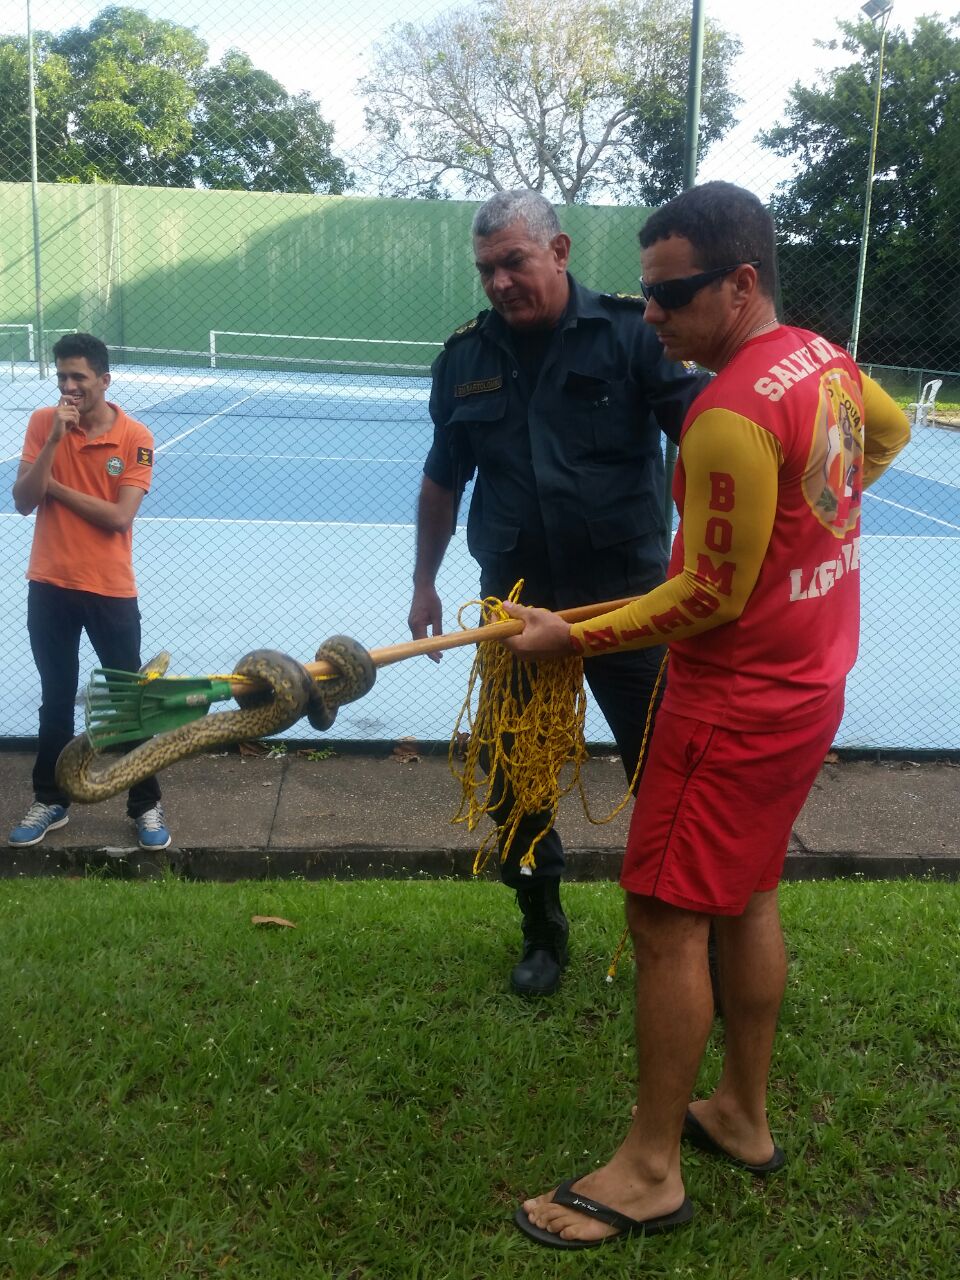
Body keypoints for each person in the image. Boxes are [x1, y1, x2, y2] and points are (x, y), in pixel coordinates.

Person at [503, 181, 910, 1245]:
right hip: (810, 683)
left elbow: (705, 598)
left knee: (663, 914)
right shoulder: (820, 356)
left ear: (740, 283)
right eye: (643, 293)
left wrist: (568, 634)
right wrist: (810, 528)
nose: (649, 314)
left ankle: (648, 1168)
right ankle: (738, 1109)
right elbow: (894, 426)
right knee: (747, 895)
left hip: (730, 705)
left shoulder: (726, 412)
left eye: (670, 293)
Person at [408, 190, 708, 997]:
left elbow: (707, 439)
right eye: (486, 269)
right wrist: (424, 582)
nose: (500, 281)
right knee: (517, 781)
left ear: (560, 251)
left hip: (624, 606)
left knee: (667, 773)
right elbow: (443, 480)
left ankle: (691, 932)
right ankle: (543, 928)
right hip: (514, 606)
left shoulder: (632, 335)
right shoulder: (465, 357)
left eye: (515, 261)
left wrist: (716, 564)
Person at [8, 332, 171, 851]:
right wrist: (54, 441)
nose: (69, 387)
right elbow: (22, 501)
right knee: (55, 698)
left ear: (104, 379)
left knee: (127, 703)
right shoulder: (42, 424)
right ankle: (51, 800)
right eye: (61, 377)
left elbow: (119, 518)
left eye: (79, 377)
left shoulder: (135, 437)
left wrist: (53, 485)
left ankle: (144, 804)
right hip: (50, 585)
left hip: (110, 591)